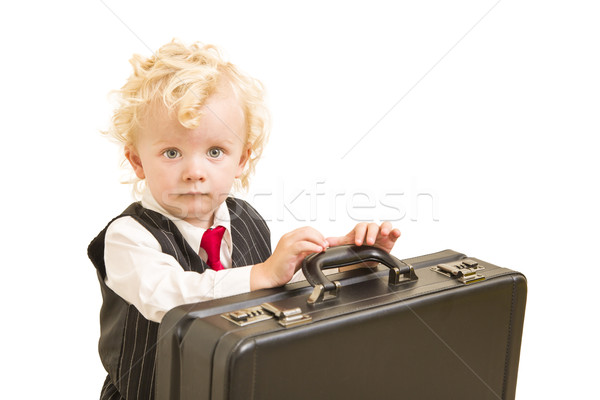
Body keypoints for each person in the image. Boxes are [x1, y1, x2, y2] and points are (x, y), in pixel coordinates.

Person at [88, 39, 400, 400]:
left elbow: (276, 288)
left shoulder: (246, 219)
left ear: (242, 160)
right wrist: (264, 272)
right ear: (138, 162)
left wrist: (350, 263)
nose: (194, 171)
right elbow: (171, 297)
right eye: (171, 152)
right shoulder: (128, 237)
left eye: (215, 151)